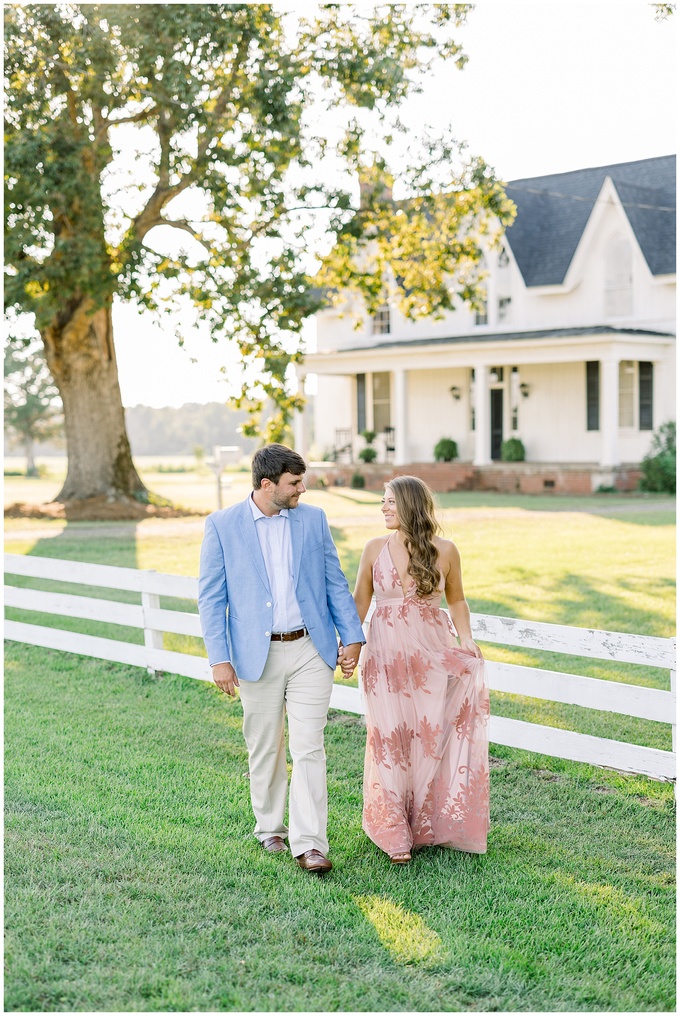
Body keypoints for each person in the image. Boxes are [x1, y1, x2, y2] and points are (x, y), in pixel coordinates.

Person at [198, 444, 365, 875]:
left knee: (309, 746)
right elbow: (212, 598)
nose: (302, 489)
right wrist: (219, 658)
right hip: (257, 654)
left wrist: (353, 637)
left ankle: (309, 843)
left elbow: (334, 580)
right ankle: (270, 826)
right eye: (294, 483)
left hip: (312, 648)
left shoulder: (313, 519)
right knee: (265, 745)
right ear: (267, 483)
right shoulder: (221, 525)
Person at [340, 475, 489, 864]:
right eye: (383, 502)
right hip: (385, 658)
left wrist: (466, 639)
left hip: (430, 654)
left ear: (409, 504)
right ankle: (393, 830)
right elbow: (359, 602)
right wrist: (348, 644)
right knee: (389, 738)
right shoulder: (374, 548)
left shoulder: (446, 550)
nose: (384, 508)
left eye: (390, 501)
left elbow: (457, 601)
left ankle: (424, 821)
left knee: (427, 738)